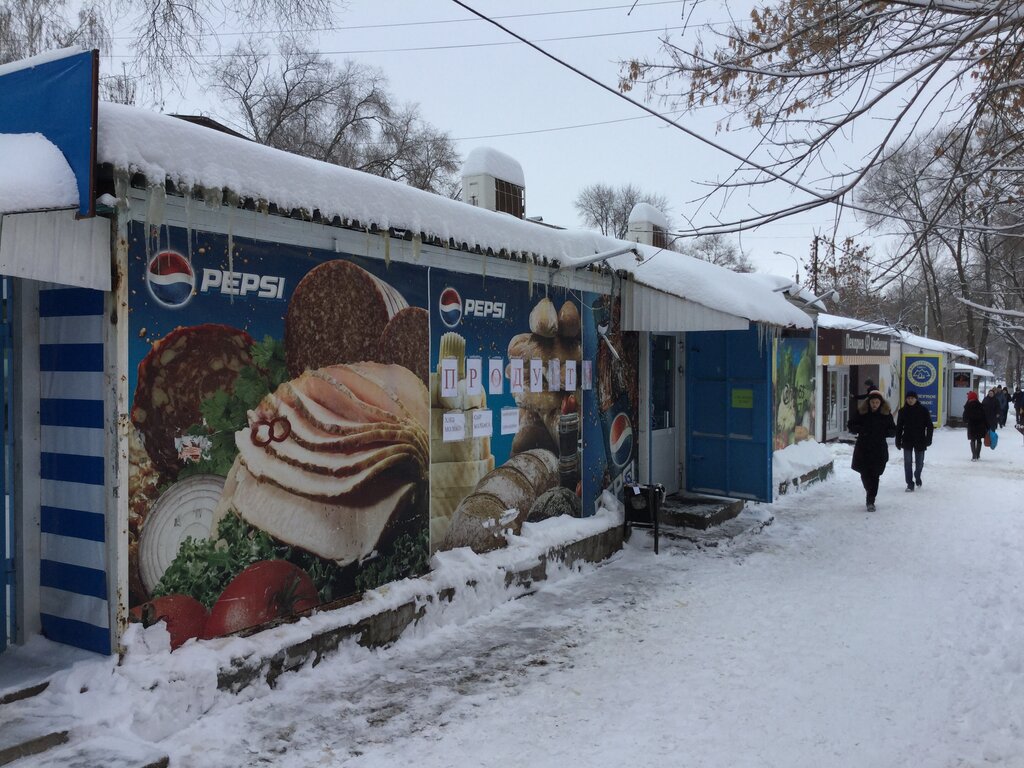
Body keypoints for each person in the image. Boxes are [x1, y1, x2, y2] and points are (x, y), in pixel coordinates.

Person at [848, 389, 896, 511]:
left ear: (881, 403)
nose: (874, 404)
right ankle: (869, 490)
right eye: (872, 402)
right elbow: (851, 425)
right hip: (863, 448)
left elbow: (893, 430)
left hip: (878, 448)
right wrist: (861, 429)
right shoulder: (861, 412)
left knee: (875, 475)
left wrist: (885, 432)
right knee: (864, 474)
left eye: (877, 402)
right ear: (869, 402)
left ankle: (870, 500)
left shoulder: (886, 414)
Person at [895, 390, 933, 491]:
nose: (910, 400)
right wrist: (897, 440)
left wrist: (928, 439)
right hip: (907, 439)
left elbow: (929, 426)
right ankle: (909, 484)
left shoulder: (923, 410)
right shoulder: (902, 411)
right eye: (908, 398)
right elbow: (899, 427)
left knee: (919, 463)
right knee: (907, 462)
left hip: (920, 439)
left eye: (912, 398)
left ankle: (917, 475)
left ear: (916, 399)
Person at [963, 390, 988, 460]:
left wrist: (966, 421)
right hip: (980, 426)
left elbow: (965, 417)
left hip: (972, 426)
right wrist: (987, 426)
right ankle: (978, 454)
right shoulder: (980, 405)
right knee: (979, 440)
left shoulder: (967, 405)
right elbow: (984, 416)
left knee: (973, 440)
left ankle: (974, 455)